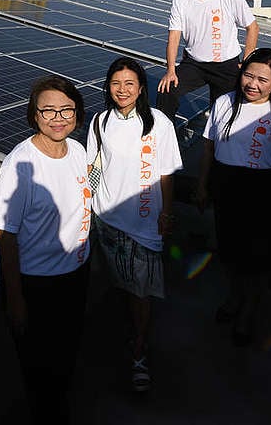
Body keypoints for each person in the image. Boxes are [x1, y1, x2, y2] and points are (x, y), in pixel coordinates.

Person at [0, 75, 91, 423]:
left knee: (66, 350)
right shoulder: (21, 165)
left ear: (77, 113)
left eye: (66, 110)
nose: (58, 117)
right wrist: (15, 298)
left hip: (75, 275)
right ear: (34, 115)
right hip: (36, 283)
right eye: (48, 110)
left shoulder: (78, 151)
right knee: (39, 366)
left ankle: (58, 402)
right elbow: (6, 233)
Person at [86, 57, 181, 391]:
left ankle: (139, 350)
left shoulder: (159, 123)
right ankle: (121, 339)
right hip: (107, 220)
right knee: (117, 285)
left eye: (129, 83)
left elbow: (167, 172)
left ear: (141, 87)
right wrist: (86, 207)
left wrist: (166, 213)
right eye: (115, 83)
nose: (122, 90)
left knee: (141, 291)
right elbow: (94, 168)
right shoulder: (99, 121)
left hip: (145, 222)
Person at [196, 48, 271, 346]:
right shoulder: (224, 103)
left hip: (264, 191)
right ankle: (234, 297)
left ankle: (248, 310)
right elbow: (208, 149)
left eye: (262, 79)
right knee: (228, 250)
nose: (252, 84)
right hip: (226, 186)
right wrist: (202, 186)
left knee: (257, 256)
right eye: (248, 75)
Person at [156, 0, 259, 121]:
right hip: (194, 64)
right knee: (167, 90)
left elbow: (253, 27)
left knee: (224, 112)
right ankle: (164, 137)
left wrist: (247, 60)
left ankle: (219, 144)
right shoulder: (181, 0)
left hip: (226, 65)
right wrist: (170, 70)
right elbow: (174, 37)